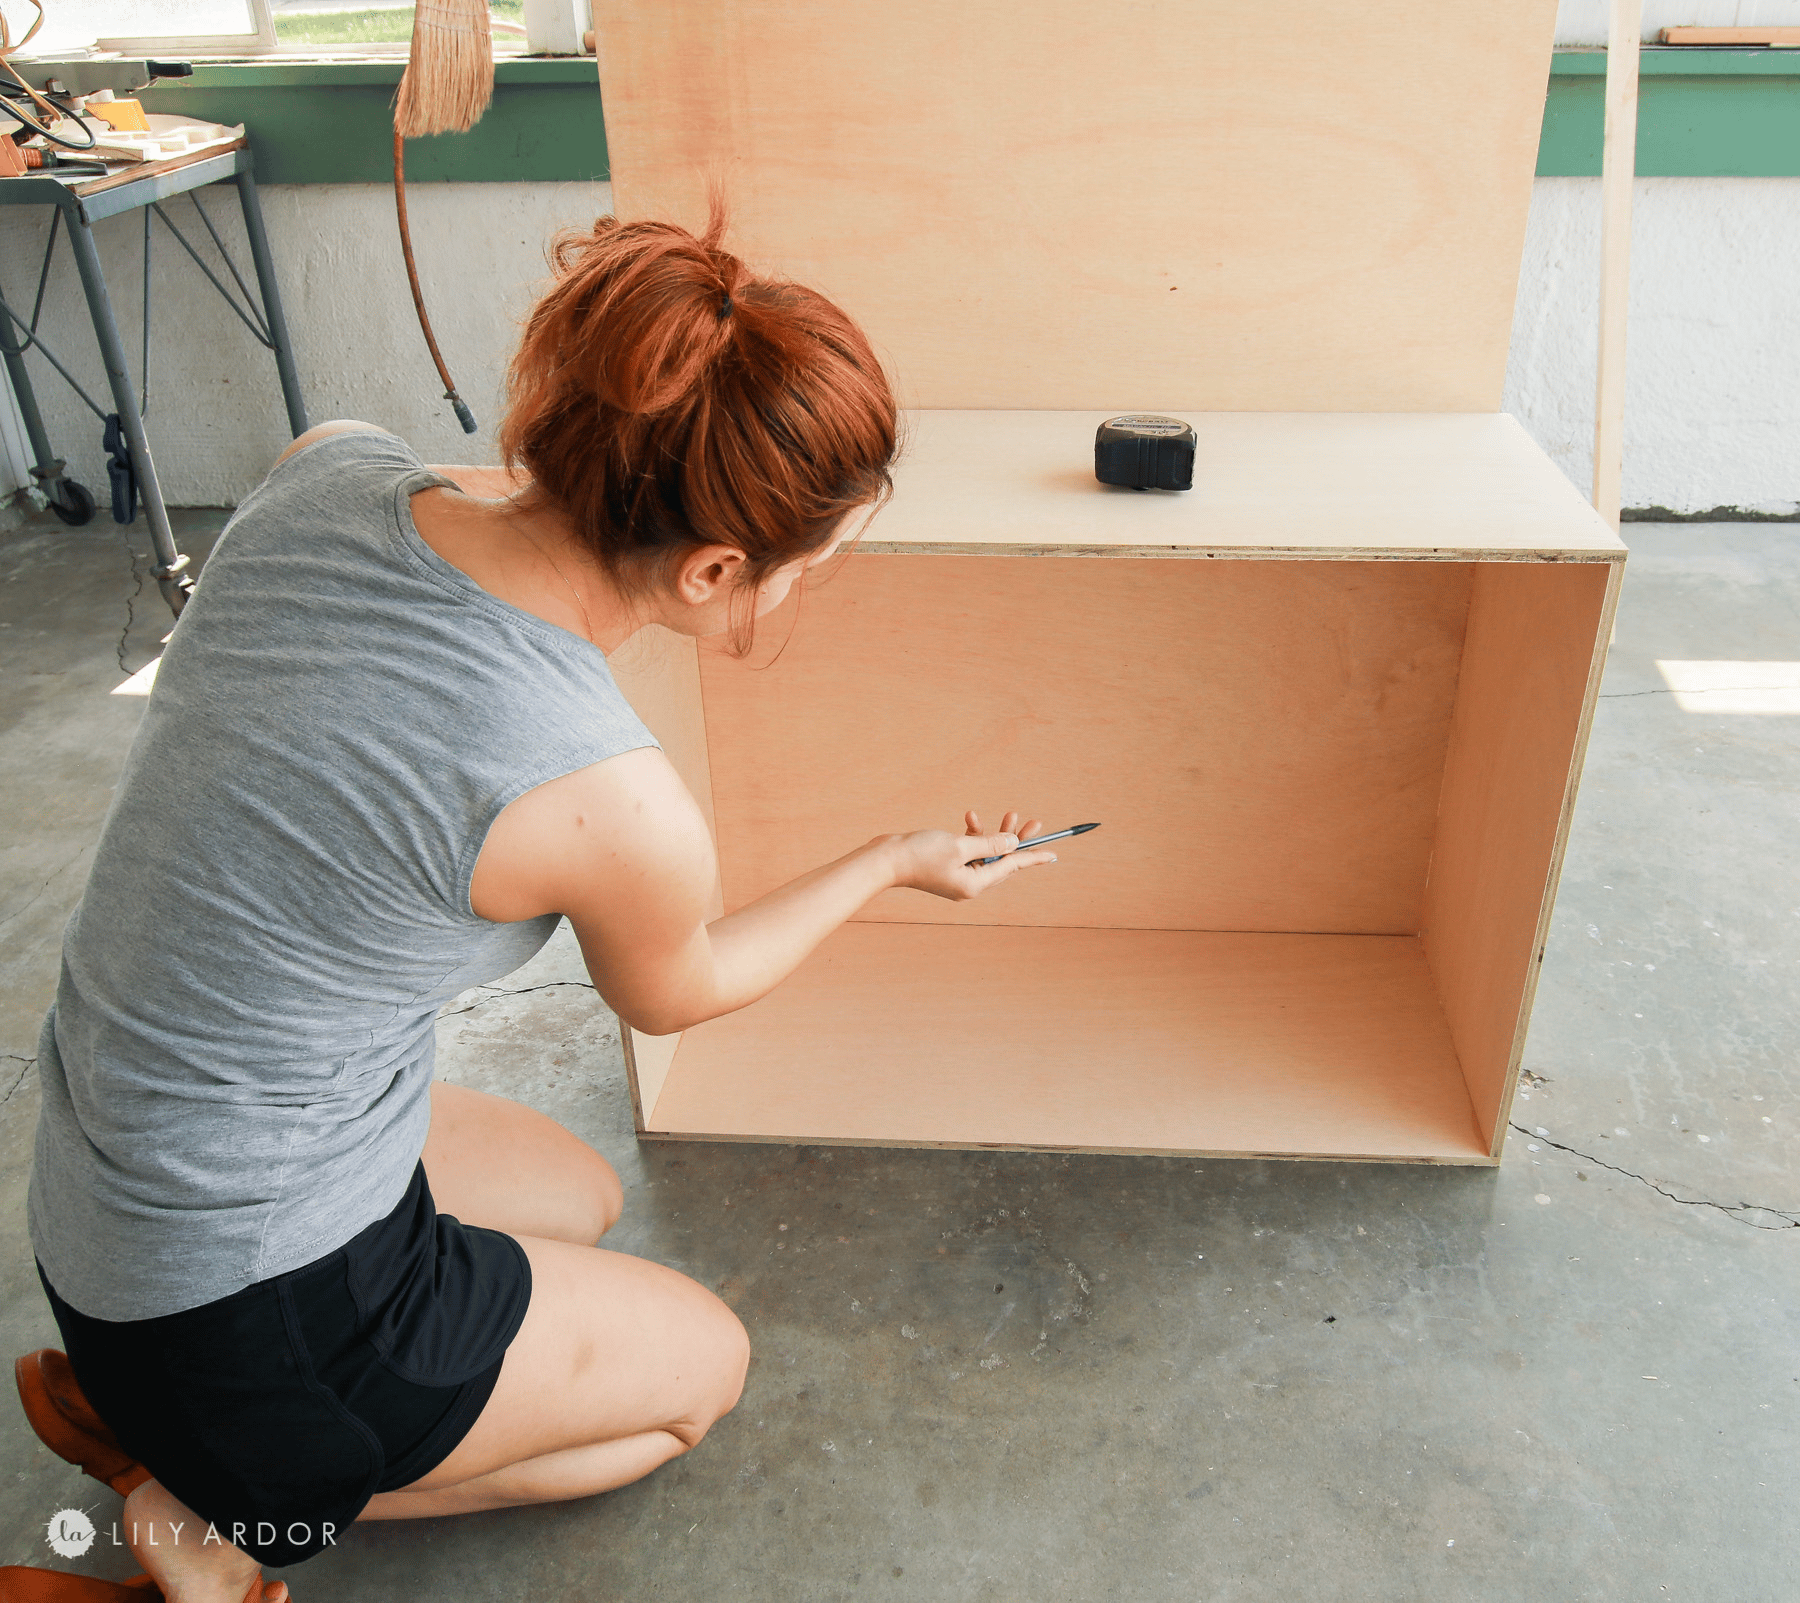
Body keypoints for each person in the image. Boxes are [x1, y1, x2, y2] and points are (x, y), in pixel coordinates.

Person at [17, 213, 1057, 1603]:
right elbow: (683, 989)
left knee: (579, 1194)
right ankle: (222, 1510)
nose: (806, 587)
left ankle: (179, 1421)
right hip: (237, 1299)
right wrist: (889, 861)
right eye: (806, 566)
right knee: (700, 1377)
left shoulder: (323, 470)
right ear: (711, 572)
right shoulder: (594, 789)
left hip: (103, 1203)